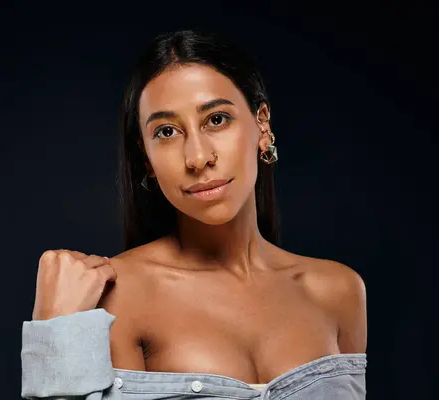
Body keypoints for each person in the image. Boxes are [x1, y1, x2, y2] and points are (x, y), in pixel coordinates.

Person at [21, 29, 367, 399]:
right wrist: (54, 334)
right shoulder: (120, 296)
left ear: (262, 125)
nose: (198, 157)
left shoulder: (337, 292)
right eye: (167, 131)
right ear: (147, 158)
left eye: (216, 119)